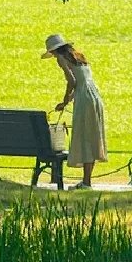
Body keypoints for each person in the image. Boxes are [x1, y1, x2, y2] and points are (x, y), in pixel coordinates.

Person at [43, 33, 107, 188]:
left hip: (84, 101)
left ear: (55, 51)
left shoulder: (61, 58)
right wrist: (66, 102)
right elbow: (82, 84)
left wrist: (65, 99)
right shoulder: (80, 58)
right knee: (92, 136)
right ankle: (86, 181)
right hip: (95, 97)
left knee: (84, 136)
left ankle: (86, 182)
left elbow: (72, 81)